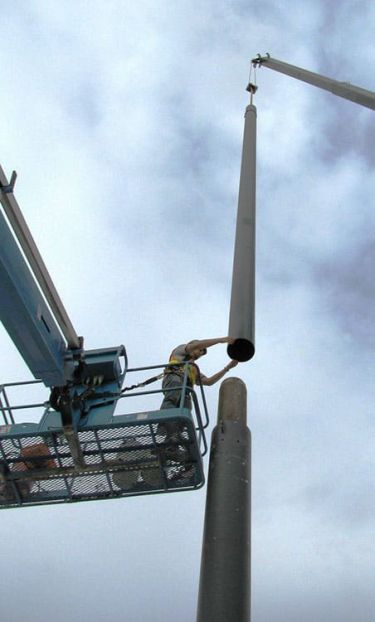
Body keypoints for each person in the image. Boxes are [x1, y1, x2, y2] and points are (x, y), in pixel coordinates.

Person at [159, 337, 238, 448]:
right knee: (172, 399)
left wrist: (228, 367)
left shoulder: (194, 368)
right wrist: (222, 340)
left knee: (185, 412)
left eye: (202, 352)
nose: (201, 352)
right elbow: (196, 346)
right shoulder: (180, 351)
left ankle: (173, 440)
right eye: (200, 350)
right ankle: (165, 424)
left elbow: (209, 381)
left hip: (186, 391)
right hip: (175, 379)